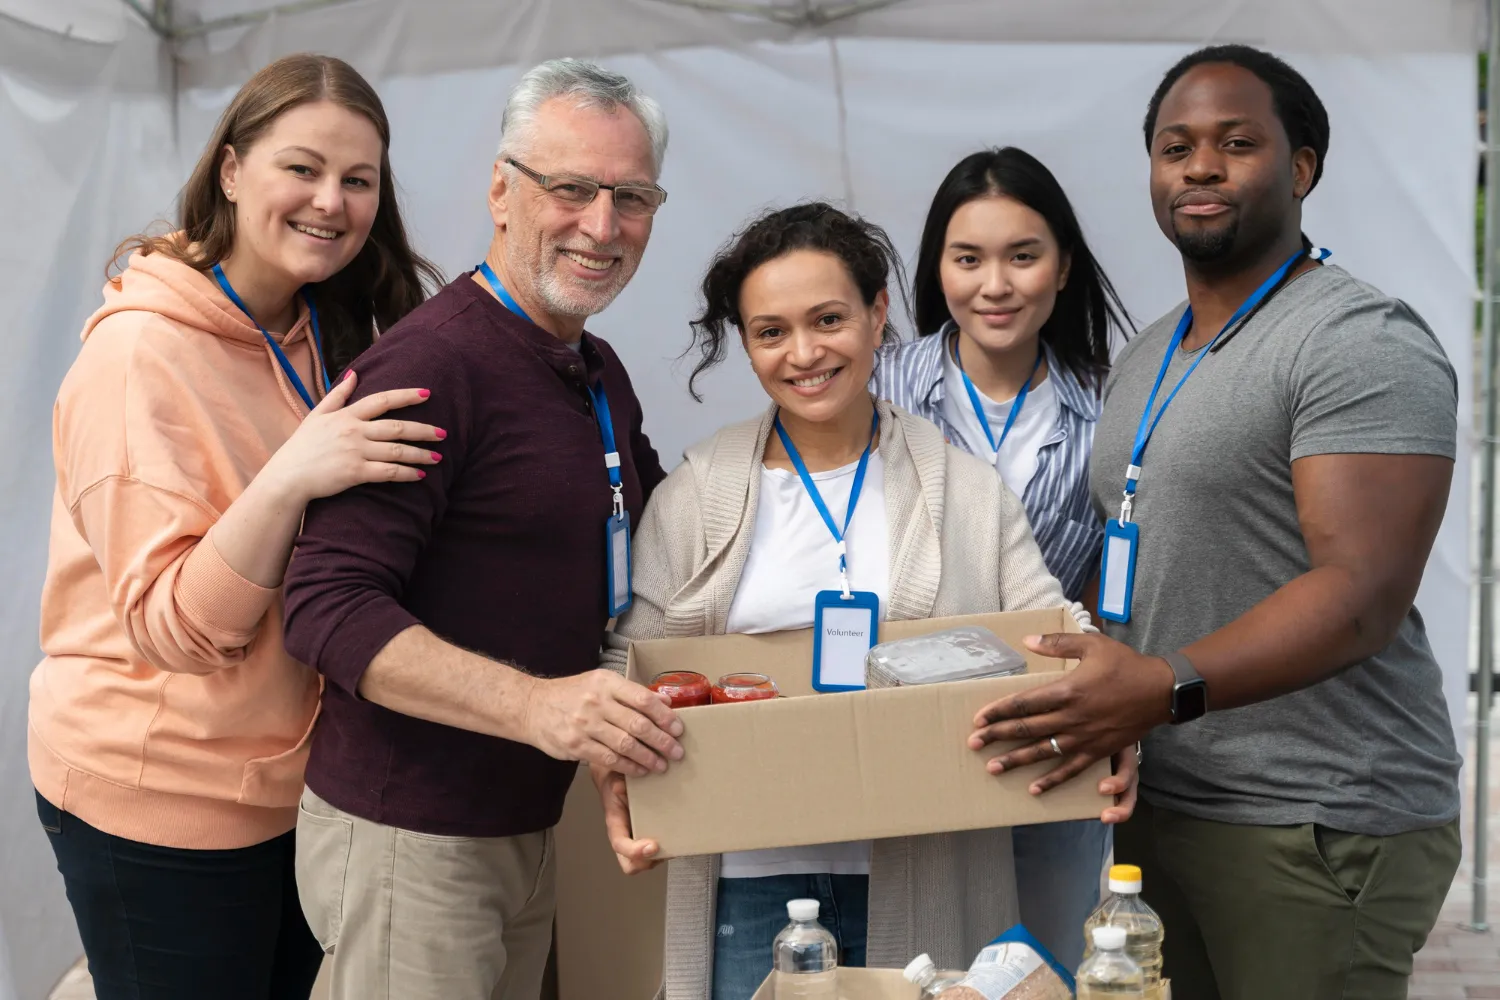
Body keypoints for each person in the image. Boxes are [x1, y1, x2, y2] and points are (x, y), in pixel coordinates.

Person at [968, 45, 1461, 997]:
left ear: (1303, 167)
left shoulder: (1358, 340)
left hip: (1315, 816)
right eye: (1174, 146)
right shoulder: (1151, 354)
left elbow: (1360, 595)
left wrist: (1160, 686)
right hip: (1167, 804)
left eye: (1237, 144)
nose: (1199, 166)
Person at [591, 202, 1136, 1000]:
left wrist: (1112, 710)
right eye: (771, 332)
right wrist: (616, 767)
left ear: (878, 315)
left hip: (924, 864)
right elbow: (629, 658)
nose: (804, 353)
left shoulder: (964, 490)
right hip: (749, 879)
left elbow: (1052, 632)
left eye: (829, 319)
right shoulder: (697, 493)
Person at [29, 54, 443, 1000]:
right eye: (301, 168)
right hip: (164, 799)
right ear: (229, 170)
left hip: (294, 791)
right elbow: (178, 631)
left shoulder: (321, 327)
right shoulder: (138, 356)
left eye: (358, 180)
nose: (330, 202)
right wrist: (291, 476)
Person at [280, 58, 681, 1000]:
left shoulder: (595, 368)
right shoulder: (431, 367)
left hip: (524, 824)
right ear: (501, 189)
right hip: (410, 839)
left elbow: (663, 537)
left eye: (632, 197)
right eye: (572, 188)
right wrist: (542, 709)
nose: (602, 225)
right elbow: (326, 609)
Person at [872, 146, 1133, 971]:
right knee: (919, 966)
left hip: (1052, 734)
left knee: (1048, 967)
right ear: (936, 269)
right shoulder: (874, 388)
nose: (996, 284)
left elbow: (1118, 579)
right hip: (902, 728)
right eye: (968, 258)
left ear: (1062, 269)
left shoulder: (1114, 405)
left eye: (1023, 256)